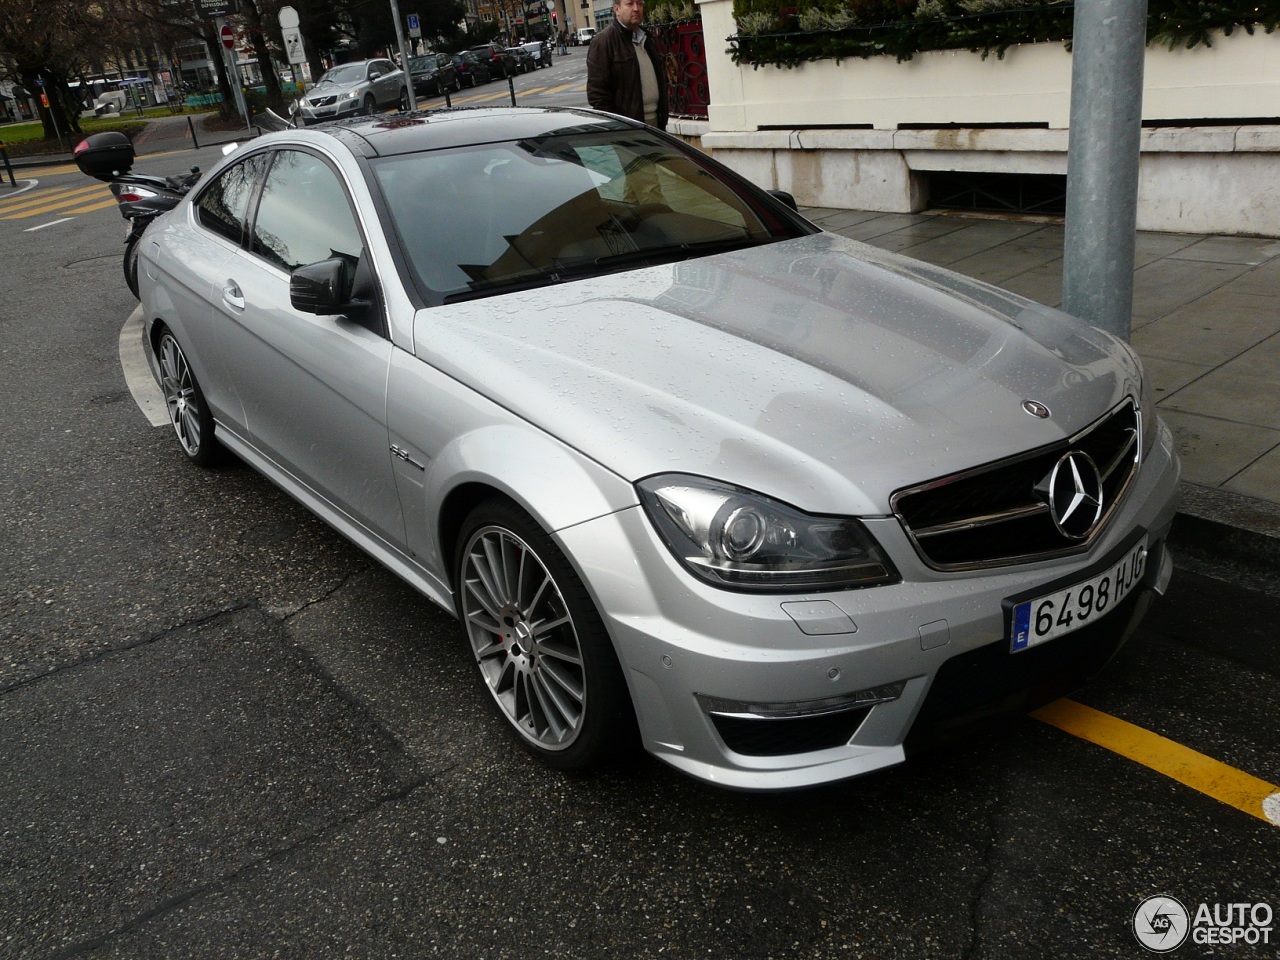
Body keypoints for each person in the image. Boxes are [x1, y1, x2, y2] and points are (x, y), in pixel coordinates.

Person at [586, 0, 668, 130]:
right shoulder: (603, 42)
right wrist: (617, 129)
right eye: (630, 4)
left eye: (639, 3)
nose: (636, 9)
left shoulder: (647, 38)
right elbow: (598, 95)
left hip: (656, 124)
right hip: (627, 129)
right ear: (617, 9)